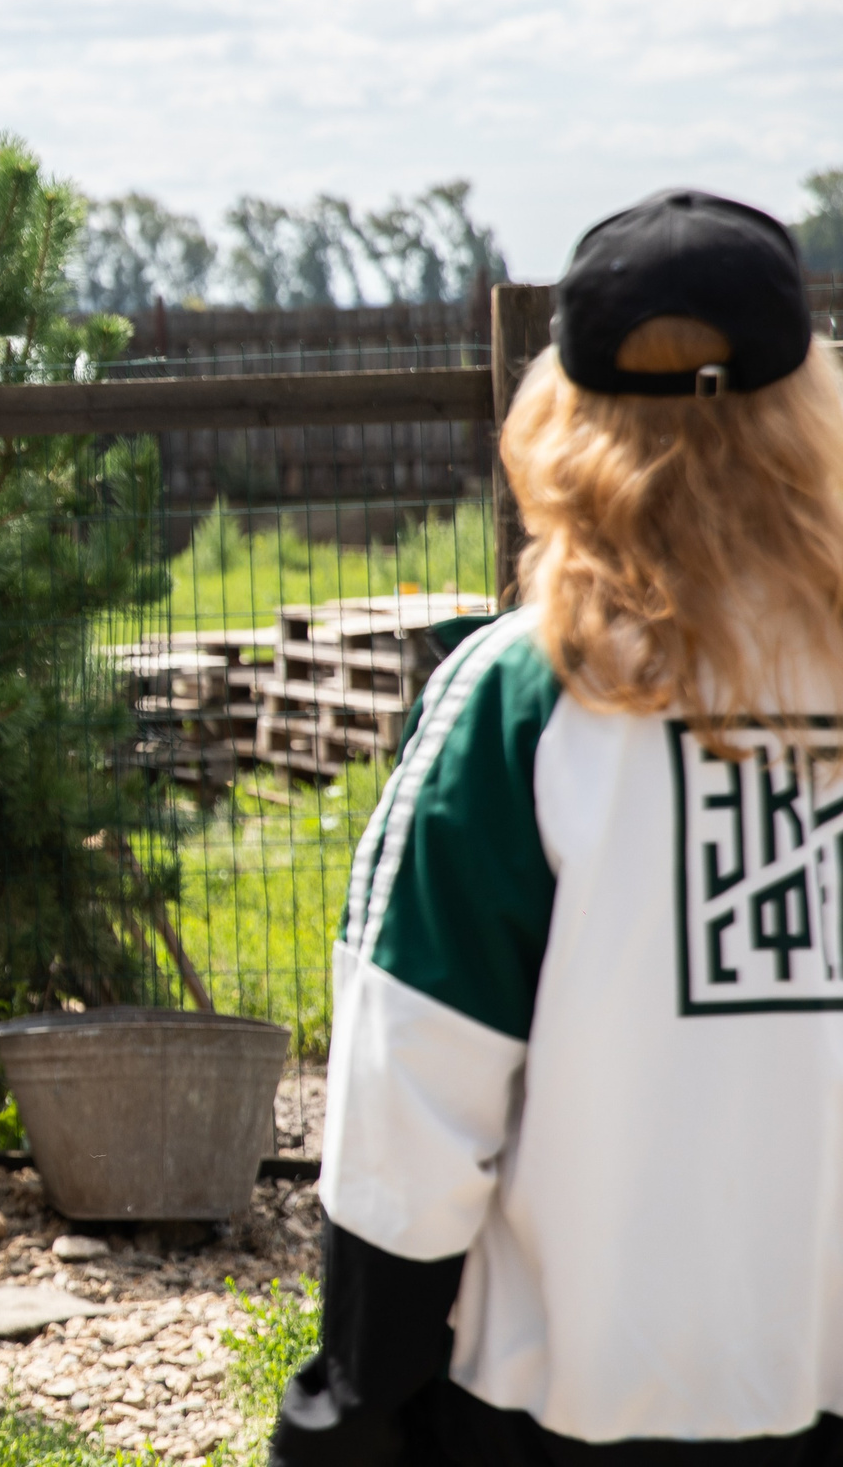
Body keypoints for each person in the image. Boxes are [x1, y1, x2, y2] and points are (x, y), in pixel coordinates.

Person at [271, 190, 843, 1463]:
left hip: (558, 1410)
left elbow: (408, 1098)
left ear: (561, 424)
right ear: (810, 405)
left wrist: (352, 1410)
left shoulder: (522, 696)